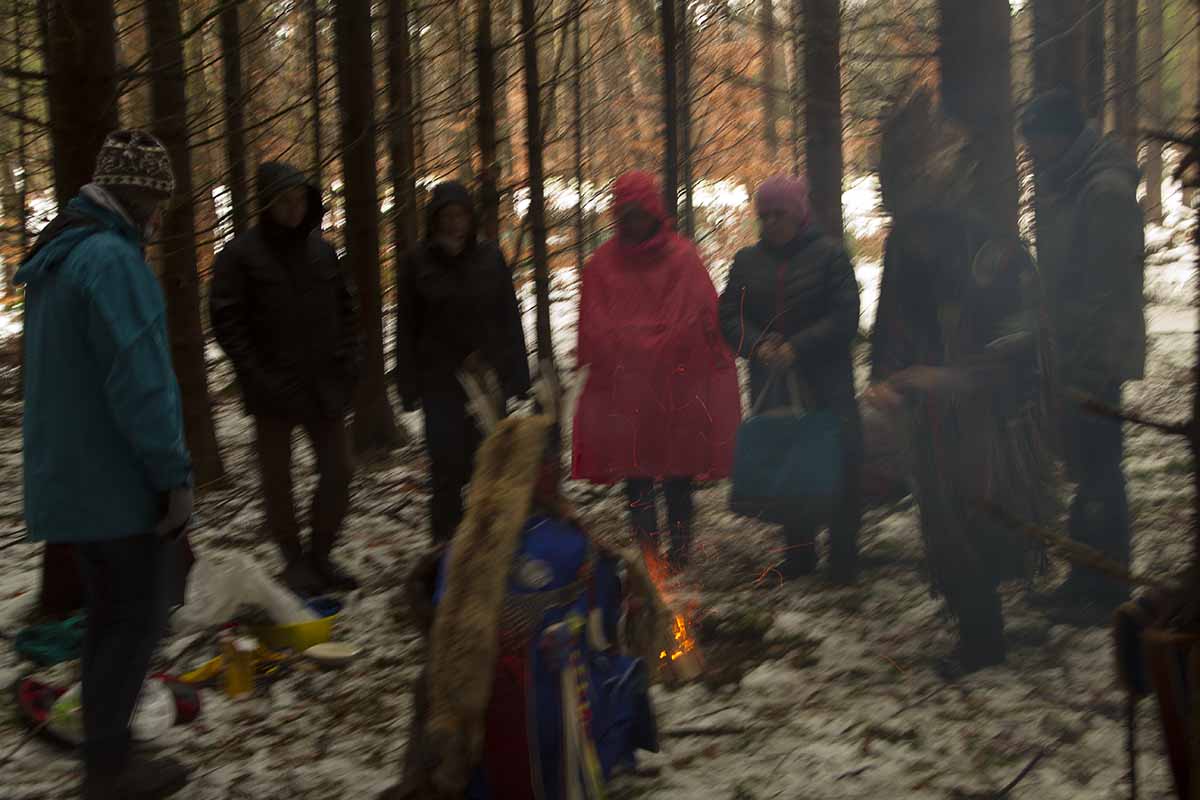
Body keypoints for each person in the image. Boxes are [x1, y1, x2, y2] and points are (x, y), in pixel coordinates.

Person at [15, 129, 193, 798]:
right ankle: (110, 768)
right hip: (114, 485)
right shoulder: (112, 263)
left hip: (71, 483)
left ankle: (104, 752)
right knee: (135, 621)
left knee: (109, 620)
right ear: (141, 195)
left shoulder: (60, 257)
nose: (156, 214)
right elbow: (141, 383)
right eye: (156, 199)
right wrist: (172, 477)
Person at [380, 378, 659, 800]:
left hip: (463, 713)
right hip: (543, 711)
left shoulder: (463, 543)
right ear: (545, 475)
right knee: (612, 670)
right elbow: (603, 617)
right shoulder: (569, 544)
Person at [865, 92, 1059, 676]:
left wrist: (954, 377)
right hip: (930, 413)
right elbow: (893, 315)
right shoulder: (904, 242)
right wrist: (887, 376)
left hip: (984, 414)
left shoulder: (984, 242)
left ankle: (984, 639)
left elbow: (1021, 331)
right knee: (942, 519)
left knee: (977, 516)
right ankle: (974, 625)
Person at [572, 170, 741, 572]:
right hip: (629, 392)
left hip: (676, 387)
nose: (634, 221)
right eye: (627, 214)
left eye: (640, 212)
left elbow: (702, 313)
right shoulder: (602, 265)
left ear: (653, 211)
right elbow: (594, 324)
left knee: (678, 474)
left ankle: (680, 553)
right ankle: (649, 557)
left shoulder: (682, 258)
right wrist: (630, 347)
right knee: (637, 478)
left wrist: (655, 342)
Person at [1022, 87, 1146, 623]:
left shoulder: (1105, 190)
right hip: (1071, 347)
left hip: (1095, 353)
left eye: (1035, 143)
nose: (1029, 154)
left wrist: (1080, 355)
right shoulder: (1068, 183)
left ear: (1059, 137)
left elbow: (1109, 287)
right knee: (1087, 468)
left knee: (1099, 471)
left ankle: (1105, 587)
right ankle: (1086, 577)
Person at [210, 162, 363, 596]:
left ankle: (321, 555)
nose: (294, 209)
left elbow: (348, 309)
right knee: (278, 481)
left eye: (299, 200)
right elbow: (227, 322)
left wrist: (351, 360)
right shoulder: (240, 256)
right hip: (271, 388)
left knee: (340, 469)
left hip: (325, 383)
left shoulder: (323, 251)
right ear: (267, 204)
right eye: (284, 201)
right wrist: (255, 376)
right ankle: (294, 562)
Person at [718, 174, 864, 583]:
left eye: (779, 214)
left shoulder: (831, 256)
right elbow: (729, 314)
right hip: (772, 378)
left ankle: (844, 557)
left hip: (826, 376)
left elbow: (845, 316)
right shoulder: (746, 262)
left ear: (798, 214)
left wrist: (798, 346)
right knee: (790, 459)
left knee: (839, 462)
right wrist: (757, 345)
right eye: (764, 216)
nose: (771, 223)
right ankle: (799, 554)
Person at [394, 181, 531, 544]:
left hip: (487, 379)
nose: (455, 223)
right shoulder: (416, 262)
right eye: (447, 216)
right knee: (446, 468)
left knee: (488, 464)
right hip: (440, 381)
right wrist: (406, 384)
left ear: (471, 218)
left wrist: (518, 373)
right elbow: (406, 325)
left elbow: (508, 316)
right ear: (435, 220)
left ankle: (487, 544)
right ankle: (445, 547)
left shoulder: (490, 256)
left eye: (461, 215)